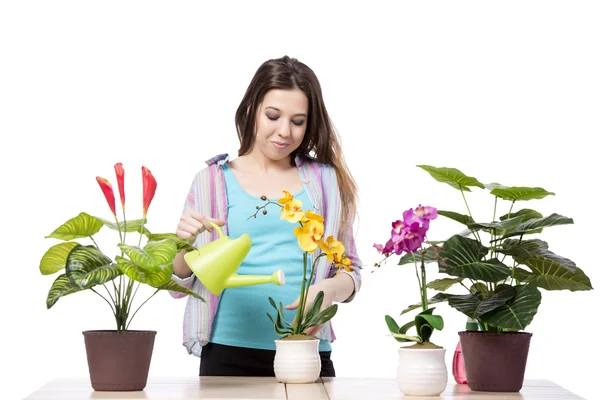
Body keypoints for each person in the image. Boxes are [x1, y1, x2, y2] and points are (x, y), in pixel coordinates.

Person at [169, 55, 362, 377]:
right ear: (250, 111)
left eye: (298, 121)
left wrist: (327, 291)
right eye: (272, 116)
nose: (284, 131)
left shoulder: (327, 181)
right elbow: (182, 279)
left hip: (307, 350)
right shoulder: (211, 181)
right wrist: (180, 244)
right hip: (226, 349)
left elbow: (351, 271)